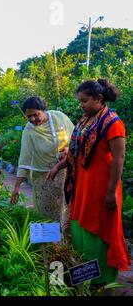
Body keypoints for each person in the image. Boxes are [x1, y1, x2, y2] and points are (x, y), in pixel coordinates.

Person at [48, 79, 131, 288]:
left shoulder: (113, 123)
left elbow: (119, 158)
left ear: (99, 99)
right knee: (80, 228)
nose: (81, 105)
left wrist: (111, 192)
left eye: (84, 101)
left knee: (99, 230)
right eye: (80, 102)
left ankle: (102, 281)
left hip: (102, 188)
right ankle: (84, 277)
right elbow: (75, 152)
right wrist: (59, 167)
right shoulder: (85, 121)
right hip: (82, 186)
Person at [10, 96, 74, 233]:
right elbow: (24, 160)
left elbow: (76, 139)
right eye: (29, 117)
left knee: (66, 211)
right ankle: (49, 250)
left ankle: (65, 248)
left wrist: (68, 150)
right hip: (43, 179)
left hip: (65, 175)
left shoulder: (59, 118)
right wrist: (17, 187)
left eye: (36, 114)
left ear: (43, 110)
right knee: (46, 214)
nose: (33, 119)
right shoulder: (29, 131)